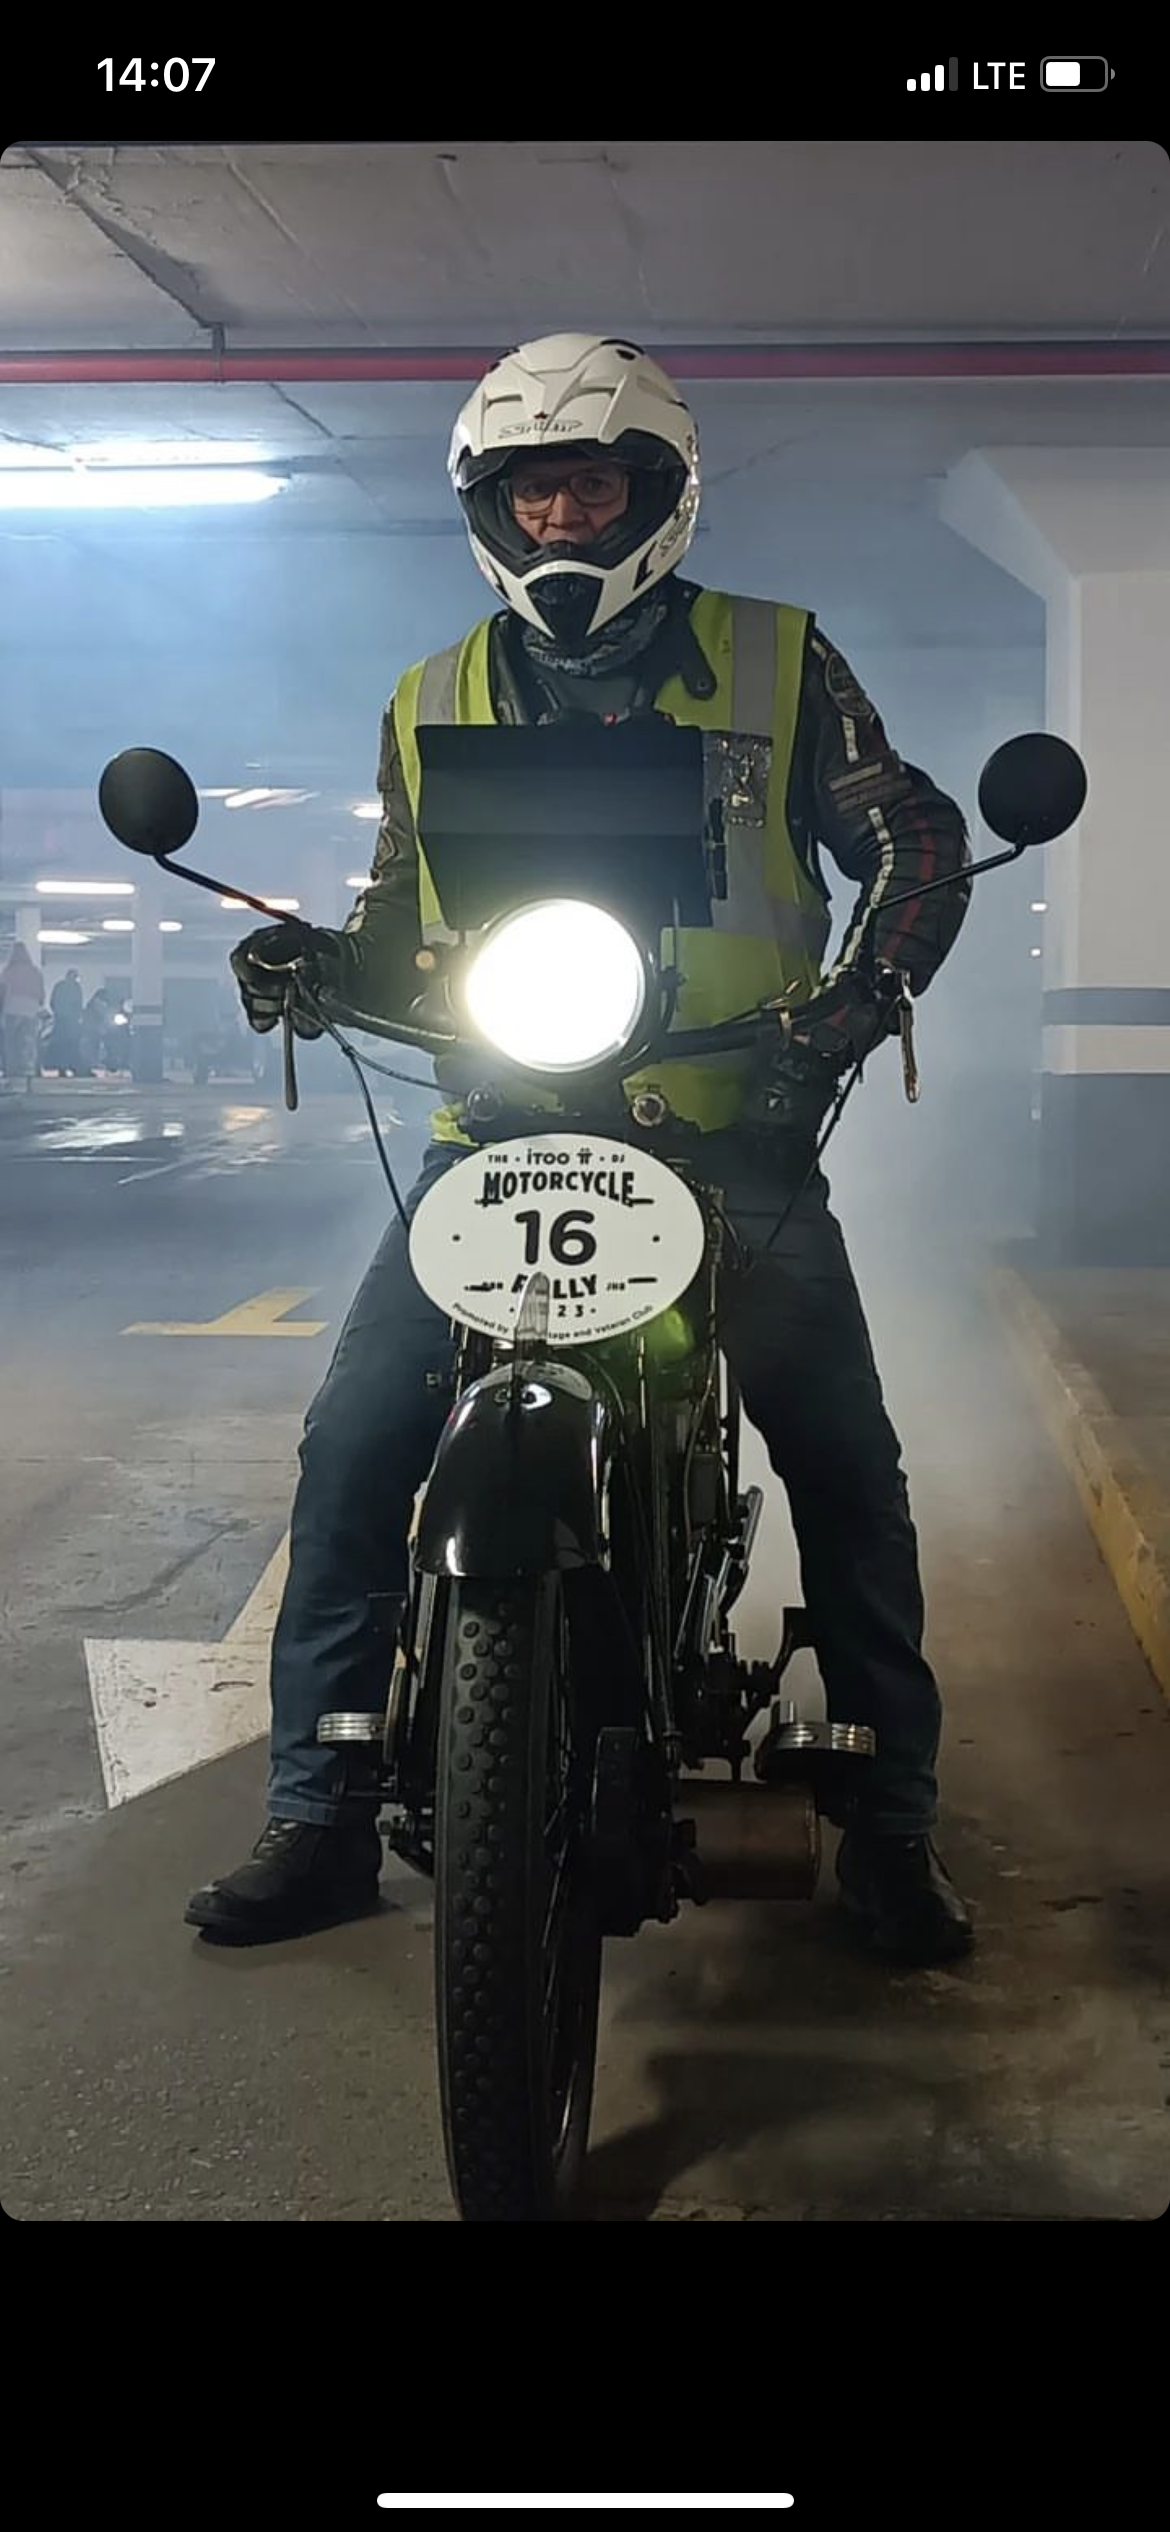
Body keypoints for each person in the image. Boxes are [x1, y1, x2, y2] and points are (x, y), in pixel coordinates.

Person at [187, 333, 975, 1965]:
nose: (561, 514)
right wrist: (315, 964)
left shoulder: (779, 661)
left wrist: (848, 1007)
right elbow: (397, 914)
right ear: (495, 507)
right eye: (533, 488)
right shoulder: (431, 695)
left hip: (731, 1129)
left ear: (654, 495)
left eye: (593, 485)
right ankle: (319, 1811)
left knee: (843, 1453)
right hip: (500, 1131)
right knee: (352, 1442)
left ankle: (891, 1818)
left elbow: (911, 833)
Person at [0, 940, 45, 1080]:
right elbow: (41, 995)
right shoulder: (35, 972)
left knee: (11, 1043)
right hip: (31, 1010)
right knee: (28, 1042)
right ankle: (28, 1070)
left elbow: (2, 992)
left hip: (12, 1009)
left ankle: (12, 1071)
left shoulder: (8, 971)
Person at [47, 967, 84, 1075]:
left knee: (60, 1045)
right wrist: (77, 1016)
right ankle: (73, 1067)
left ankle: (61, 1068)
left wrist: (58, 1012)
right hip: (71, 1021)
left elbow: (52, 1002)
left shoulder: (58, 986)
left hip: (60, 1020)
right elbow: (78, 1004)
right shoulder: (76, 987)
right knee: (72, 1044)